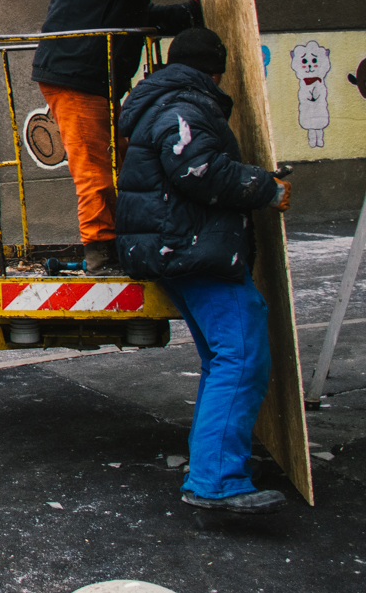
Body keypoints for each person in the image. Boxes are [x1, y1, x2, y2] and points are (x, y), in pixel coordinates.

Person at [114, 27, 292, 514]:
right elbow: (199, 169)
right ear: (213, 70)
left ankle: (214, 468)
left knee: (224, 359)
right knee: (239, 357)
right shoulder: (184, 107)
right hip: (195, 250)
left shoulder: (168, 100)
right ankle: (216, 481)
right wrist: (264, 186)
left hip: (180, 247)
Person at [31, 0, 230, 272]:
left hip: (86, 76)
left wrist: (186, 16)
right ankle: (100, 253)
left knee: (120, 162)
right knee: (96, 171)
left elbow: (135, 15)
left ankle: (117, 243)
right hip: (78, 76)